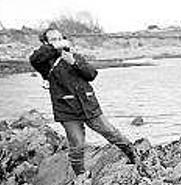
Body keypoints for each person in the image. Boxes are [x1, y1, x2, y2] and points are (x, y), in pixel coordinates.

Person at [29, 28, 141, 176]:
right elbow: (34, 59)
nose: (58, 42)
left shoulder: (74, 55)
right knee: (77, 144)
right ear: (46, 43)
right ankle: (80, 175)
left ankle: (135, 157)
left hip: (89, 105)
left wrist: (74, 62)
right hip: (67, 110)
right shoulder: (45, 63)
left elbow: (92, 74)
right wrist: (56, 47)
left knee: (111, 133)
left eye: (59, 38)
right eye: (53, 40)